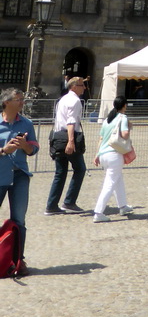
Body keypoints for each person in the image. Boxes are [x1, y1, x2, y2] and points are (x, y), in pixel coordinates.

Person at [0, 88, 39, 270]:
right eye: (18, 99)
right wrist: (3, 150)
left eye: (23, 99)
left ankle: (18, 260)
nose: (22, 102)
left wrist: (25, 146)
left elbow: (33, 151)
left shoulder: (27, 124)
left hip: (20, 175)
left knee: (19, 220)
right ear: (6, 102)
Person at [45, 76, 87, 215]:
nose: (84, 88)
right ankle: (69, 202)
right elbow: (71, 121)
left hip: (58, 137)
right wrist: (71, 141)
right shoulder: (75, 100)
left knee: (60, 172)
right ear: (74, 86)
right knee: (80, 169)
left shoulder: (62, 99)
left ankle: (51, 205)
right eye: (82, 85)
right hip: (68, 138)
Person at [92, 96, 134, 222]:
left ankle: (123, 206)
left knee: (118, 180)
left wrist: (97, 154)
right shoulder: (123, 117)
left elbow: (101, 138)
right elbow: (125, 134)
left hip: (104, 154)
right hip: (114, 154)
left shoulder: (107, 120)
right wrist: (129, 128)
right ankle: (98, 212)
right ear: (124, 106)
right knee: (109, 184)